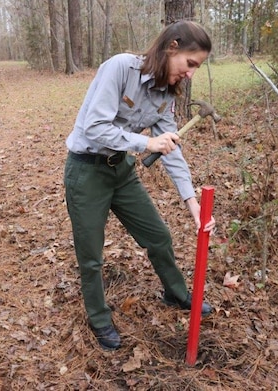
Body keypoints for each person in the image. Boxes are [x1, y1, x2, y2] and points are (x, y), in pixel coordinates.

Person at [63, 21, 216, 351]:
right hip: (86, 172)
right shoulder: (120, 68)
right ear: (172, 46)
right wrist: (146, 144)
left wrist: (194, 206)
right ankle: (99, 318)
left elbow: (171, 149)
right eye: (190, 64)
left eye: (196, 68)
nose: (190, 74)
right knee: (91, 255)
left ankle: (175, 294)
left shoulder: (164, 94)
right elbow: (95, 126)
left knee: (158, 236)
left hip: (122, 171)